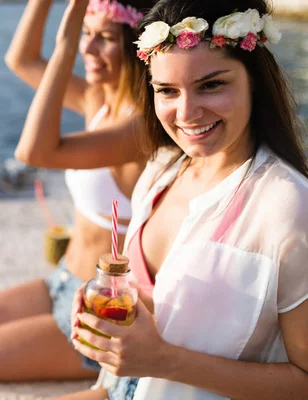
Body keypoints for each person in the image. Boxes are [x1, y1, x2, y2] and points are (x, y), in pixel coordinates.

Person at [63, 0, 308, 399]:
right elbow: (174, 305)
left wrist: (161, 359)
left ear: (255, 81)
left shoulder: (287, 207)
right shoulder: (162, 170)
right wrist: (111, 303)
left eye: (211, 85)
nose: (187, 113)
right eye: (167, 91)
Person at [0, 0, 154, 398]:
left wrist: (64, 44)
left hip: (98, 317)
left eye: (105, 38)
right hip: (62, 282)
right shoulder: (100, 99)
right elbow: (21, 60)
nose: (88, 49)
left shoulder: (141, 126)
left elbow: (35, 152)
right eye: (85, 34)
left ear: (135, 44)